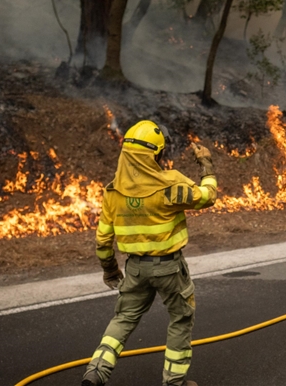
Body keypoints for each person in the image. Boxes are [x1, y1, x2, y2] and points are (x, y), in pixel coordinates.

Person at [82, 120, 217, 386]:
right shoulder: (171, 185)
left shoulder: (113, 191)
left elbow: (103, 238)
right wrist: (207, 166)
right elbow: (207, 196)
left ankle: (96, 371)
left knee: (123, 318)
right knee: (181, 318)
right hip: (169, 268)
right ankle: (174, 382)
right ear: (156, 154)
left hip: (135, 268)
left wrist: (110, 269)